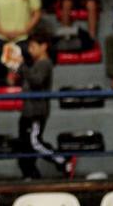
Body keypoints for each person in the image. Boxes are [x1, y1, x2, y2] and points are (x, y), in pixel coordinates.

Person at [12, 32, 75, 179]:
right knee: (25, 146)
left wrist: (21, 66)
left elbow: (37, 81)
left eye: (33, 46)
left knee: (34, 143)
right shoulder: (34, 65)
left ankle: (64, 160)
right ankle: (31, 174)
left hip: (36, 112)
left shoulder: (45, 63)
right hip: (27, 111)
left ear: (44, 47)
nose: (29, 49)